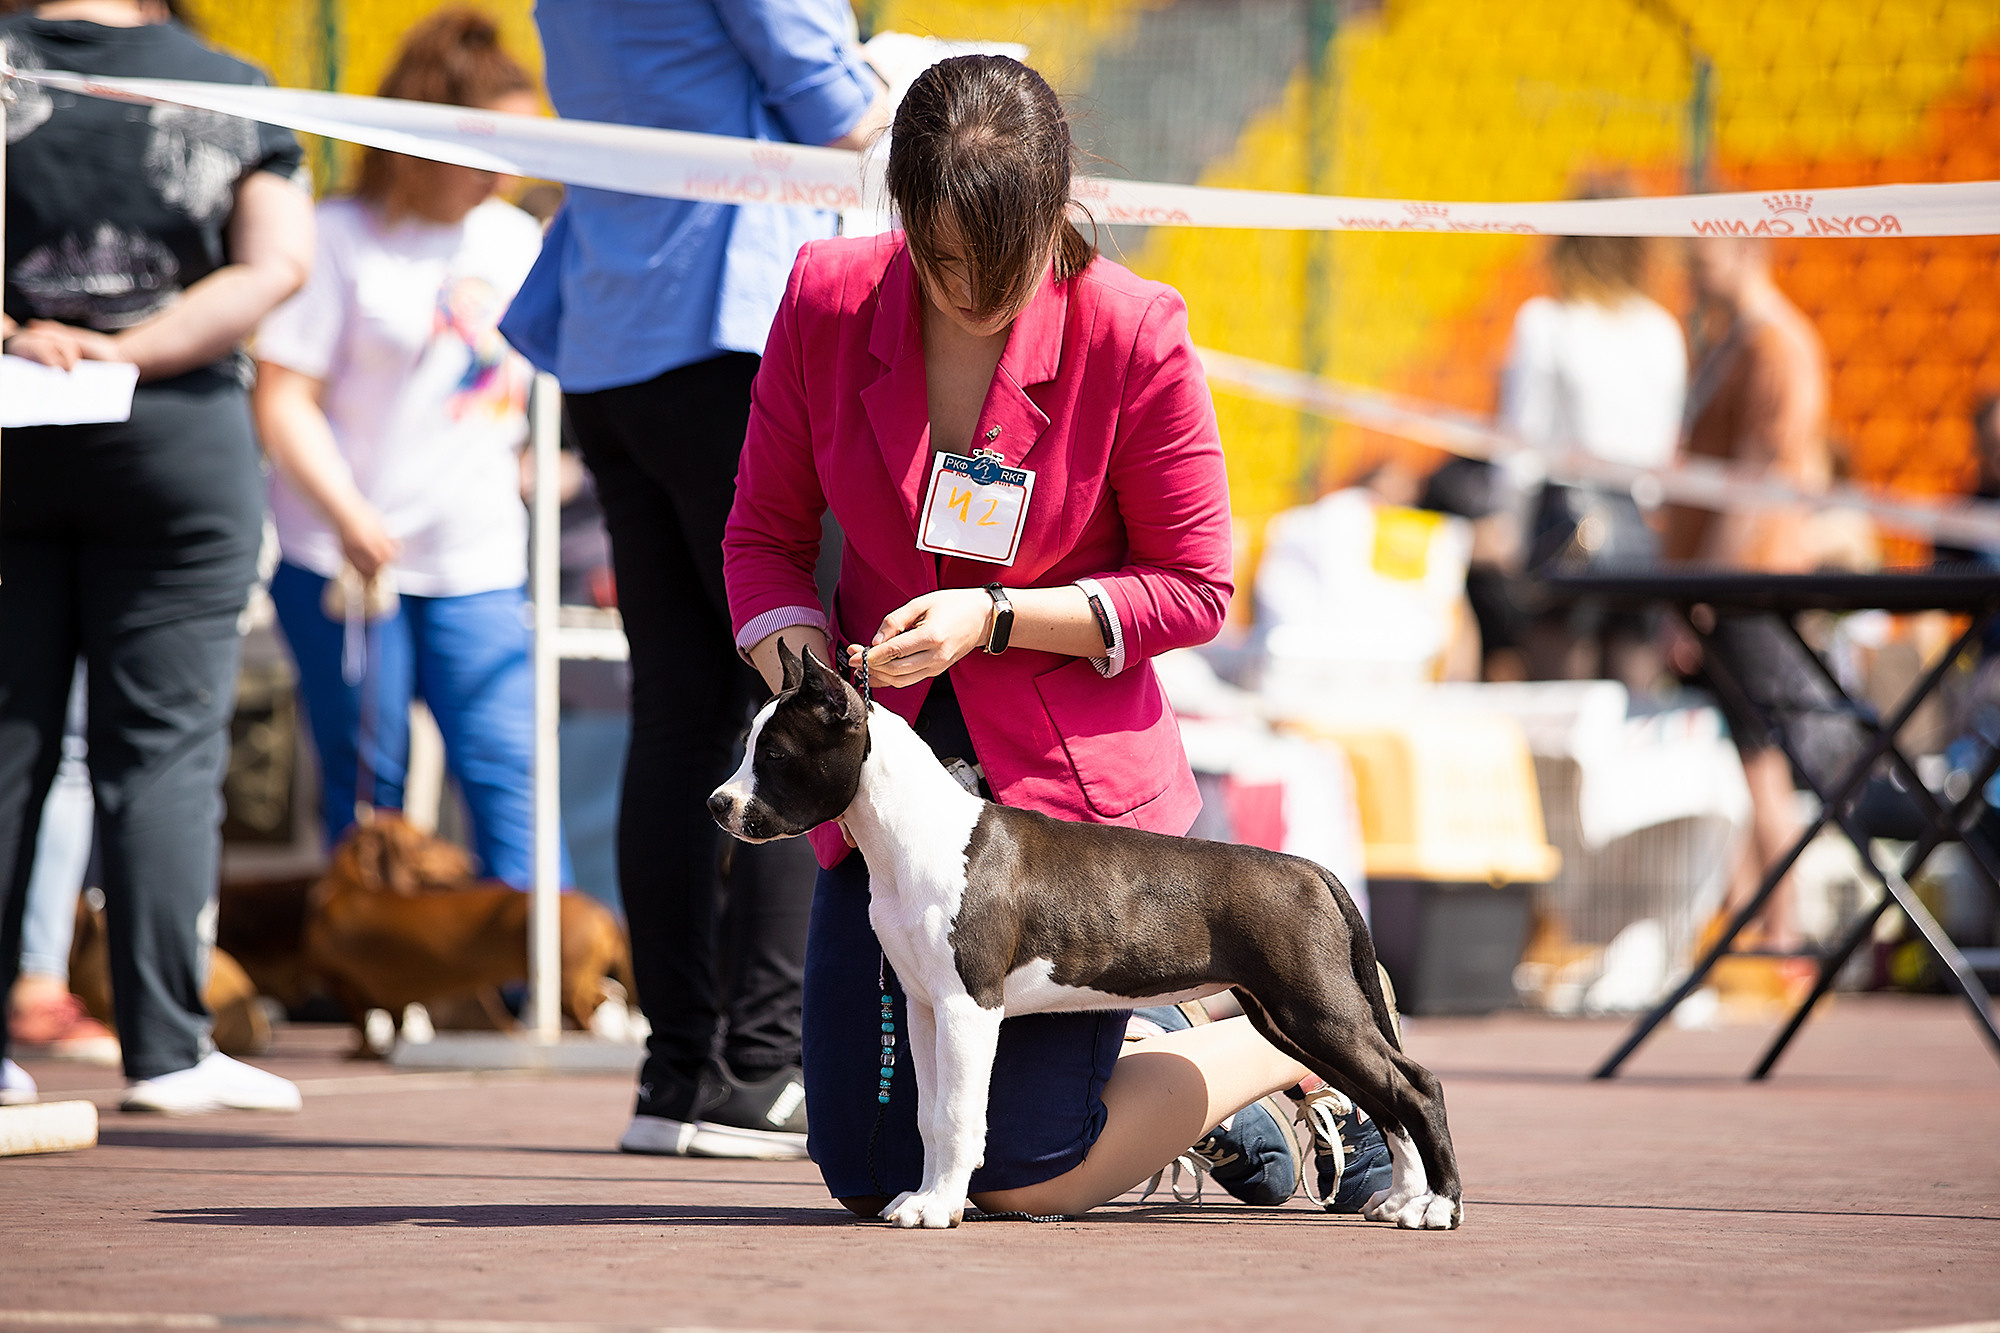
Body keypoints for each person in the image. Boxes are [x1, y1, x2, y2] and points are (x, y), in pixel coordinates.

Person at [724, 54, 1395, 1219]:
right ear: (897, 211)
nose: (973, 293)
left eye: (1003, 262)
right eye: (939, 263)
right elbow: (761, 542)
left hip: (1073, 810)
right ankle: (1200, 1033)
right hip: (886, 790)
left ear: (1058, 209)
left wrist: (992, 617)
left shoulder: (1136, 328)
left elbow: (1193, 587)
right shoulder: (825, 298)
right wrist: (813, 691)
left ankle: (1287, 1038)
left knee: (1016, 1177)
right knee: (865, 1171)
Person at [499, 0, 889, 1159]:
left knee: (675, 714)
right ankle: (764, 1069)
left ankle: (678, 1075)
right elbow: (840, 113)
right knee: (800, 698)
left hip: (613, 332)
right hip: (728, 325)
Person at [0, 0, 311, 1112]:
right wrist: (125, 351)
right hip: (173, 431)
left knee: (10, 738)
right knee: (166, 752)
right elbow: (275, 266)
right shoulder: (229, 80)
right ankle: (168, 1049)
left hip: (10, 417)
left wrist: (24, 338)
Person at [252, 8, 565, 891]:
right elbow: (279, 397)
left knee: (508, 769)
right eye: (492, 146)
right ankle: (373, 988)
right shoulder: (337, 234)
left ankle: (533, 985)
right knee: (369, 794)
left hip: (479, 557)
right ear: (430, 133)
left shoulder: (513, 236)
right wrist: (349, 514)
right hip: (346, 560)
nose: (508, 171)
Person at [1669, 234, 1837, 952]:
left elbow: (1763, 474)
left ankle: (1781, 930)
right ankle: (1750, 921)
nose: (1694, 274)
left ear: (1746, 248)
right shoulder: (1734, 341)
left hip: (1747, 582)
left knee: (1761, 753)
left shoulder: (1775, 344)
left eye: (1704, 258)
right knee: (1741, 756)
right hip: (1725, 580)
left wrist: (1707, 579)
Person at [1499, 228, 1686, 692]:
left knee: (1559, 696)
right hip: (1636, 526)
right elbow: (1662, 453)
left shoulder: (1546, 322)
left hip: (1564, 519)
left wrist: (1510, 523)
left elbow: (1521, 440)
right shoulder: (1661, 329)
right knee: (1634, 689)